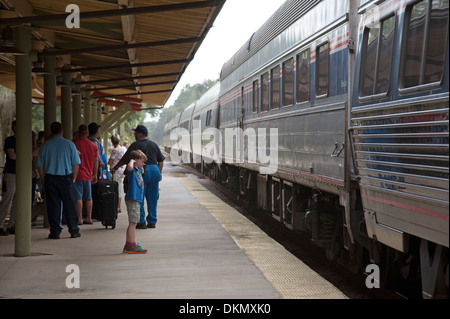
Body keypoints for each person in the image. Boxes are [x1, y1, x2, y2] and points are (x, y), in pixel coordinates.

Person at [111, 125, 165, 229]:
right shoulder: (153, 144)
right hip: (154, 170)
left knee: (139, 195)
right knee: (153, 197)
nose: (134, 134)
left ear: (140, 134)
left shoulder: (135, 145)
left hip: (142, 170)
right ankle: (152, 221)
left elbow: (125, 159)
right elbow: (161, 161)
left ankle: (141, 221)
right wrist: (160, 173)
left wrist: (115, 168)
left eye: (136, 133)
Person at [37, 122, 81, 239]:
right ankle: (74, 230)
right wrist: (74, 177)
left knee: (53, 205)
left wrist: (43, 178)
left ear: (51, 132)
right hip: (66, 178)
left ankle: (55, 231)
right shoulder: (69, 144)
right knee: (69, 205)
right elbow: (76, 163)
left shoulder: (45, 145)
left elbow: (40, 165)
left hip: (50, 178)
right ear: (62, 130)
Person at [72, 124, 99, 225]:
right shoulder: (93, 145)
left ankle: (79, 219)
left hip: (77, 174)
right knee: (88, 197)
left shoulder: (73, 143)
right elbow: (95, 160)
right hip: (88, 175)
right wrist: (95, 174)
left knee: (78, 197)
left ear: (78, 132)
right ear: (87, 132)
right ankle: (89, 217)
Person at [123, 150, 148, 254]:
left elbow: (142, 171)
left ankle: (129, 244)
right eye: (142, 161)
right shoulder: (131, 170)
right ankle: (132, 244)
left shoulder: (137, 170)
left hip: (137, 199)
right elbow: (129, 167)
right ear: (135, 161)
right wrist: (132, 161)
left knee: (133, 222)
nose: (143, 164)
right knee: (133, 223)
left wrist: (140, 166)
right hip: (133, 198)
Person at [0, 120, 16, 236]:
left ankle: (12, 225)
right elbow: (12, 155)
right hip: (11, 173)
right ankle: (0, 225)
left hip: (21, 173)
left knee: (18, 201)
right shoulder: (10, 140)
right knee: (7, 200)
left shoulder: (25, 141)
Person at [108, 134, 126, 212]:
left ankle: (116, 207)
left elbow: (109, 162)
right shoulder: (123, 149)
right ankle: (118, 207)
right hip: (121, 171)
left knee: (115, 190)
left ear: (112, 142)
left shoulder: (115, 150)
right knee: (119, 189)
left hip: (115, 172)